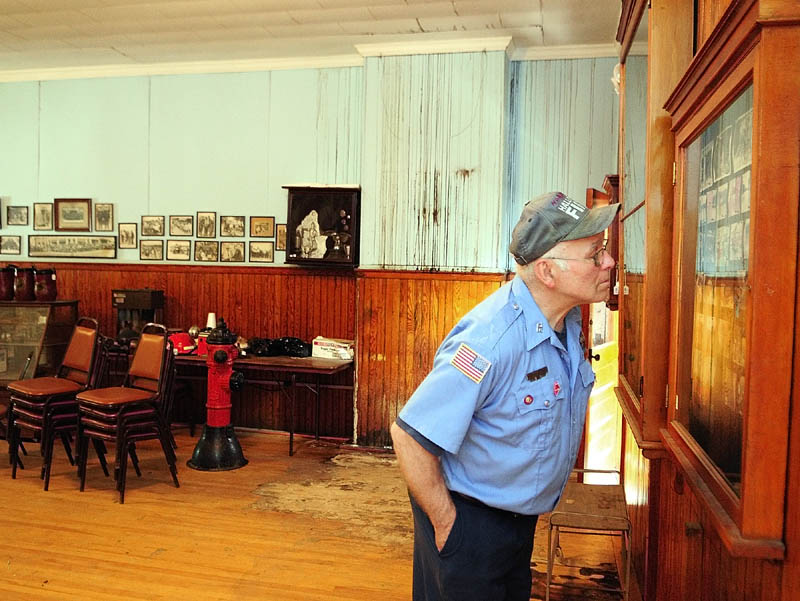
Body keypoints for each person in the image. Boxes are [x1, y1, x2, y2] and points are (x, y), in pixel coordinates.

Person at [390, 191, 620, 601]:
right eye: (594, 253)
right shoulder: (489, 341)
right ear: (548, 272)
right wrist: (448, 526)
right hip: (471, 524)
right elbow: (410, 436)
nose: (608, 262)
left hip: (518, 524)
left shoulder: (565, 322)